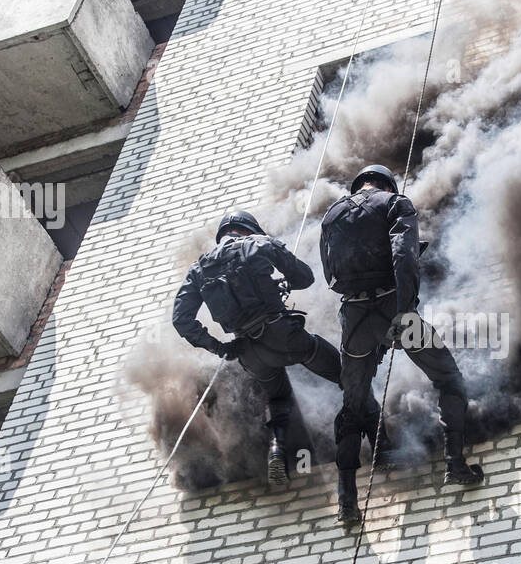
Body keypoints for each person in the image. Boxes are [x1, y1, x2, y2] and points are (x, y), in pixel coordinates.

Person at [320, 164, 483, 524]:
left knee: (352, 404)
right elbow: (404, 257)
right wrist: (403, 310)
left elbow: (329, 272)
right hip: (394, 308)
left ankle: (347, 502)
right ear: (385, 183)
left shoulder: (332, 215)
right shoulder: (395, 203)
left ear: (357, 186)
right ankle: (454, 463)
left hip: (354, 321)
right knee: (448, 377)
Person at [173, 211, 341, 486]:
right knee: (344, 374)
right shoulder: (259, 243)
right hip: (283, 334)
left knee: (277, 398)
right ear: (248, 230)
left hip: (248, 350)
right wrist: (279, 275)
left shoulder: (198, 270)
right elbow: (305, 278)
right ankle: (377, 435)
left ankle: (277, 451)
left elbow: (181, 319)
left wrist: (220, 347)